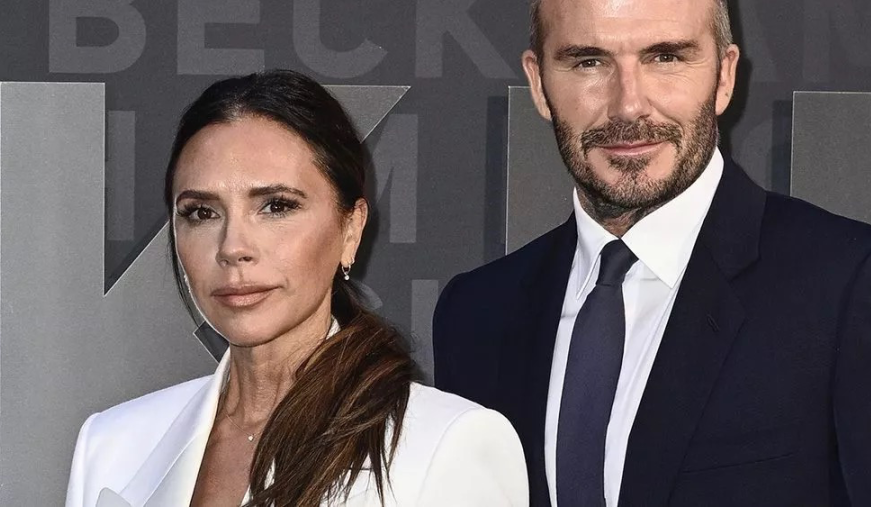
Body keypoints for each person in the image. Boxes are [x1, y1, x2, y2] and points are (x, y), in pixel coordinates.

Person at [432, 0, 871, 506]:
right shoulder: (478, 314)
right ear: (538, 83)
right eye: (589, 62)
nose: (629, 105)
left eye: (666, 57)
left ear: (725, 76)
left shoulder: (851, 293)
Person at [65, 70, 528, 507]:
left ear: (351, 229)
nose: (233, 247)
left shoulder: (448, 443)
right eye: (202, 213)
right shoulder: (110, 444)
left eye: (276, 206)